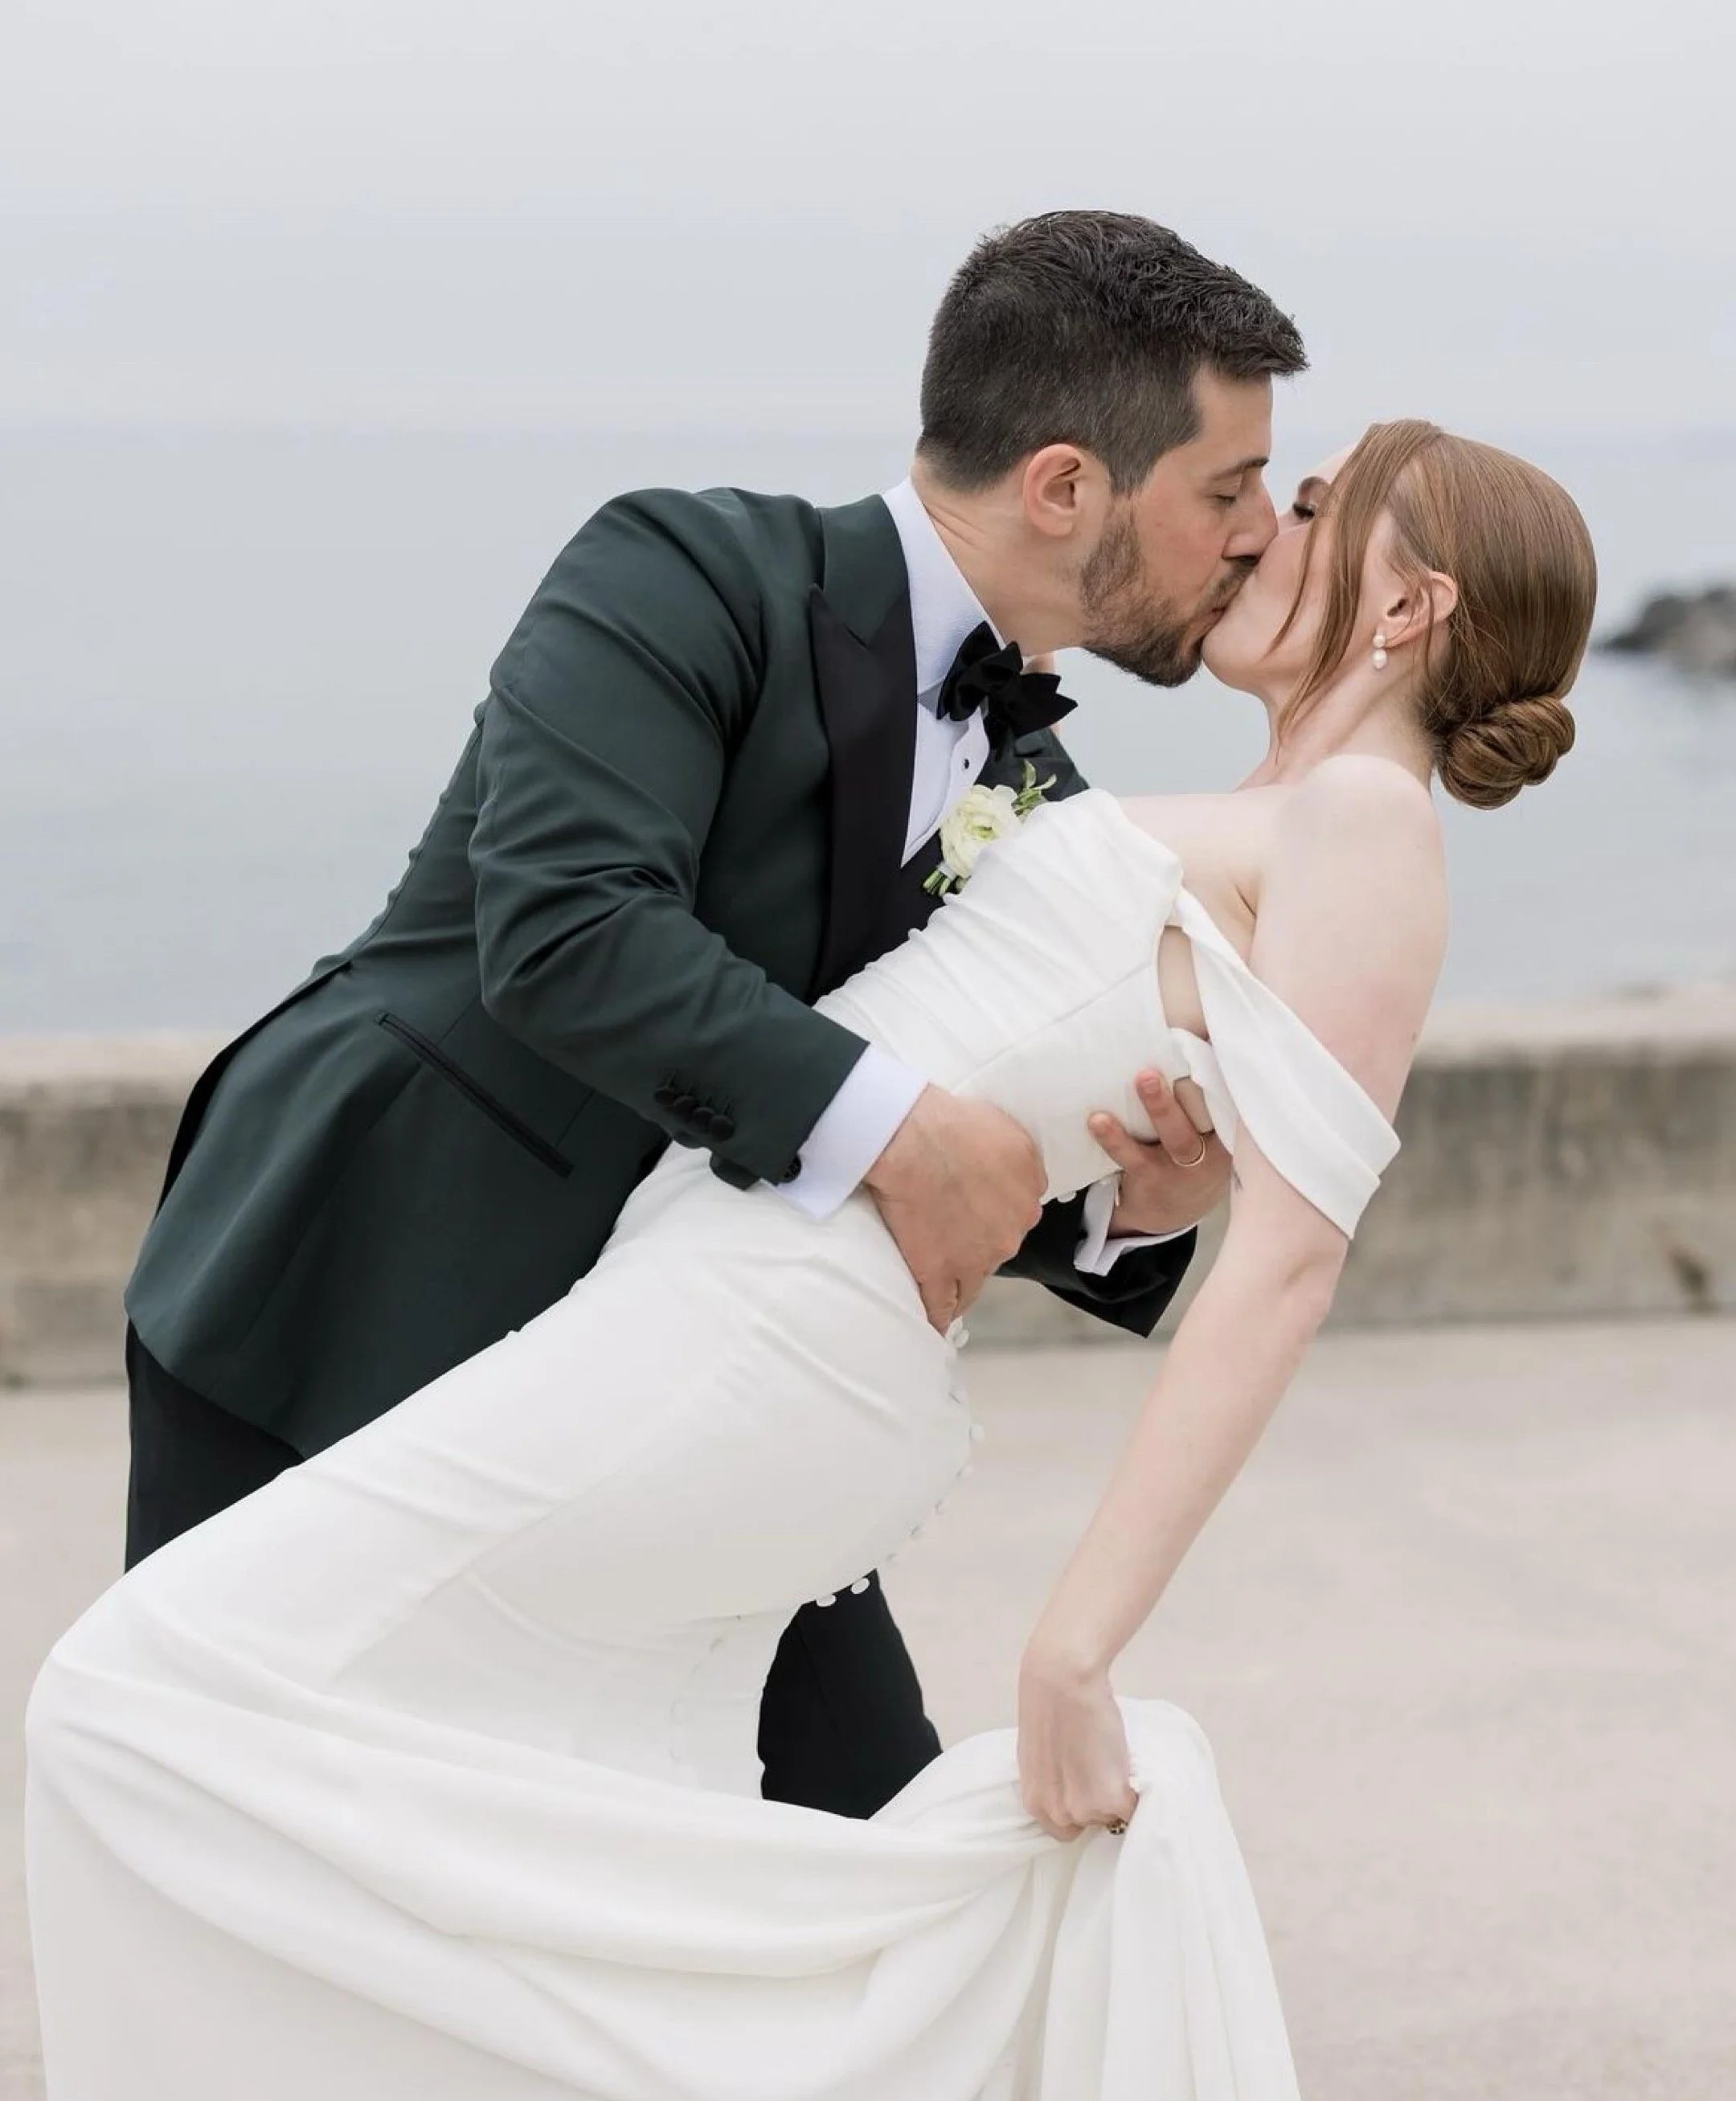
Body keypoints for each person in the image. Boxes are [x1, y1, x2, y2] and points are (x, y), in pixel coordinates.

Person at [26, 414, 1596, 2098]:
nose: (1256, 537)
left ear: (1408, 608)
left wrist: (1078, 1643)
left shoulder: (1366, 822)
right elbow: (1024, 1047)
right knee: (606, 1808)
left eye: (1302, 511)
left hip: (769, 1327)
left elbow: (1288, 1267)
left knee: (145, 1695)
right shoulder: (1242, 802)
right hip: (711, 1290)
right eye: (1245, 497)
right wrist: (1137, 1191)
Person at [116, 209, 1304, 1820]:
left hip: (679, 1374)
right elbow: (568, 928)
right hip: (349, 1295)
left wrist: (1122, 1208)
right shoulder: (677, 569)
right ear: (1066, 486)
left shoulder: (1035, 784)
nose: (1251, 535)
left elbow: (950, 1080)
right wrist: (904, 1129)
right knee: (252, 1844)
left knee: (865, 1841)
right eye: (1226, 490)